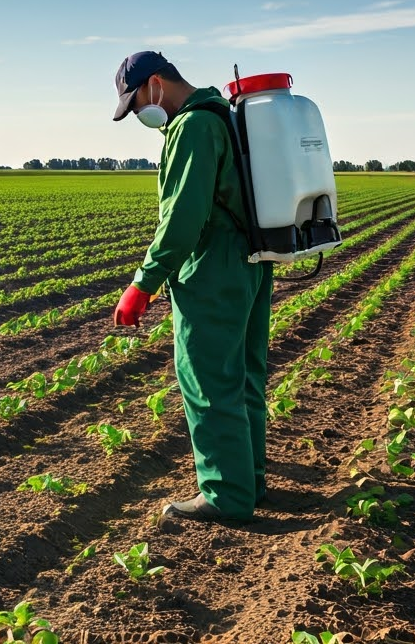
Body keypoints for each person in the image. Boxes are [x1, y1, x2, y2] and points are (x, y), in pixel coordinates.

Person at [110, 51, 273, 522]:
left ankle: (226, 495)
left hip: (212, 265)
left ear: (155, 84)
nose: (139, 113)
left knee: (207, 380)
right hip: (251, 259)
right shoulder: (222, 113)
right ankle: (250, 482)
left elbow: (183, 218)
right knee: (242, 375)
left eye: (136, 102)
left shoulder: (192, 127)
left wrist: (143, 283)